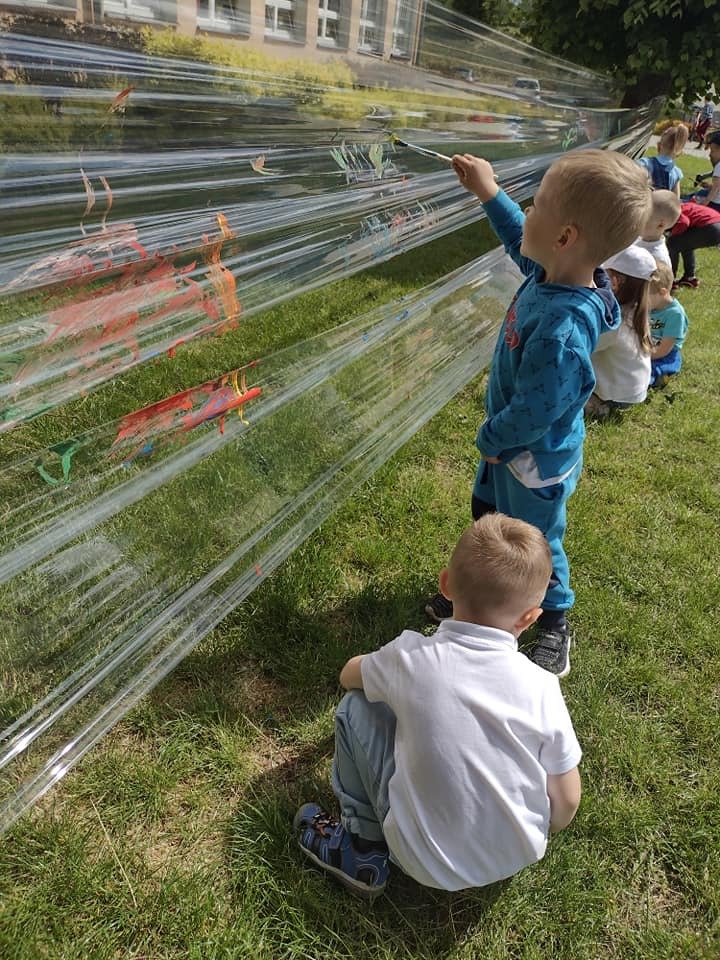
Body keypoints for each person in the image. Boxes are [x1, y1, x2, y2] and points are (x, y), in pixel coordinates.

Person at [424, 149, 652, 676]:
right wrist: (489, 192)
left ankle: (553, 618)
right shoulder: (560, 274)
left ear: (565, 237)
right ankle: (481, 597)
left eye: (536, 204)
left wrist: (491, 439)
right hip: (510, 447)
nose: (526, 210)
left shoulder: (560, 332)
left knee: (535, 541)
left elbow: (536, 413)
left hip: (530, 458)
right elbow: (519, 241)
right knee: (489, 517)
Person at [293, 514, 582, 900]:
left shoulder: (411, 657)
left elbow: (350, 675)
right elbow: (567, 800)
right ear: (530, 617)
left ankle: (362, 850)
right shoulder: (542, 687)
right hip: (517, 851)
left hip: (422, 859)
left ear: (445, 585)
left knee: (354, 708)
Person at [585, 244, 656, 419]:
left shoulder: (614, 322)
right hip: (634, 391)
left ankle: (598, 407)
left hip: (616, 396)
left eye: (601, 275)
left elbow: (584, 348)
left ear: (614, 282)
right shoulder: (637, 311)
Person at [648, 261, 689, 387]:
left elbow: (664, 349)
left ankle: (660, 377)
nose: (639, 300)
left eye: (644, 296)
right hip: (648, 347)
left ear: (662, 292)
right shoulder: (650, 306)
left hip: (666, 354)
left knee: (650, 370)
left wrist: (644, 358)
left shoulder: (675, 315)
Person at [666, 199, 720, 288]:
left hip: (711, 227)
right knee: (685, 244)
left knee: (673, 243)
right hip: (715, 224)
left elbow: (684, 222)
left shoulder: (676, 210)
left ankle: (670, 280)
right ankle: (689, 278)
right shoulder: (686, 206)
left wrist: (671, 234)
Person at [638, 124, 687, 194]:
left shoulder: (644, 163)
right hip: (663, 204)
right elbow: (675, 201)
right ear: (679, 152)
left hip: (644, 204)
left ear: (659, 144)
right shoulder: (676, 173)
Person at [635, 189, 680, 266]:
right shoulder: (633, 239)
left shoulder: (659, 260)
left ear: (660, 225)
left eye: (644, 216)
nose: (637, 218)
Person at [695, 130, 720, 211]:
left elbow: (715, 188)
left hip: (715, 204)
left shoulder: (718, 166)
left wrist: (705, 202)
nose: (710, 154)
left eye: (712, 151)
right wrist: (709, 186)